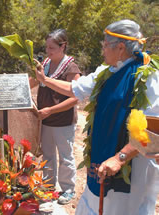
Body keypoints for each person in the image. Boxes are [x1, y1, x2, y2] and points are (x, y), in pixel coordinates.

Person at [35, 19, 159, 214]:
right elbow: (75, 89)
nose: (102, 50)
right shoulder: (106, 71)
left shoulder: (148, 77)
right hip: (103, 157)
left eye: (105, 45)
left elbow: (152, 130)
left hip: (132, 170)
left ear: (120, 47)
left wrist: (120, 158)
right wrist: (44, 80)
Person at [29, 29, 81, 205]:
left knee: (65, 157)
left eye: (52, 47)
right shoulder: (46, 63)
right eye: (46, 47)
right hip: (45, 119)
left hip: (63, 121)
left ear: (63, 46)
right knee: (48, 155)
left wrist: (51, 110)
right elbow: (35, 81)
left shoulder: (71, 67)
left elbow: (75, 97)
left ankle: (68, 189)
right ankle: (48, 186)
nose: (48, 51)